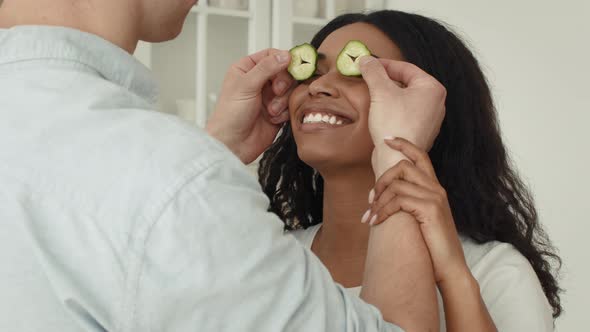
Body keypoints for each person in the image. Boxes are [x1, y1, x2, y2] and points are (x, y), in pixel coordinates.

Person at [0, 1, 447, 331]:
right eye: (317, 70)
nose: (321, 87)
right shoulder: (172, 179)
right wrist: (400, 152)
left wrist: (211, 156)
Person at [258, 10, 562, 332]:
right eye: (313, 72)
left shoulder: (495, 272)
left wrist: (454, 279)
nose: (319, 86)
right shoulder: (266, 259)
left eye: (358, 70)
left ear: (431, 110)